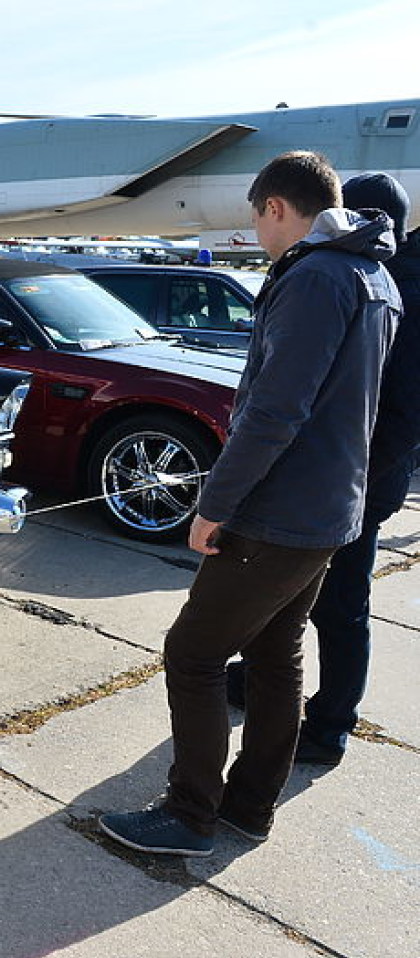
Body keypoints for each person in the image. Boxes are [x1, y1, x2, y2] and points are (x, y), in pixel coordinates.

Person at [99, 151, 401, 857]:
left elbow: (274, 411)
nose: (257, 236)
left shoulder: (316, 277)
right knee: (275, 654)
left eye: (255, 220)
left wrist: (215, 502)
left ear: (275, 208)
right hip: (329, 509)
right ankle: (249, 806)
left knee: (194, 653)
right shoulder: (374, 273)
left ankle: (189, 813)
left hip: (280, 511)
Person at [226, 172, 420, 766]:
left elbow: (407, 407)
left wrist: (356, 478)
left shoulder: (396, 282)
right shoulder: (370, 272)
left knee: (340, 601)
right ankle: (262, 676)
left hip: (359, 477)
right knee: (291, 591)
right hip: (343, 473)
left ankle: (332, 720)